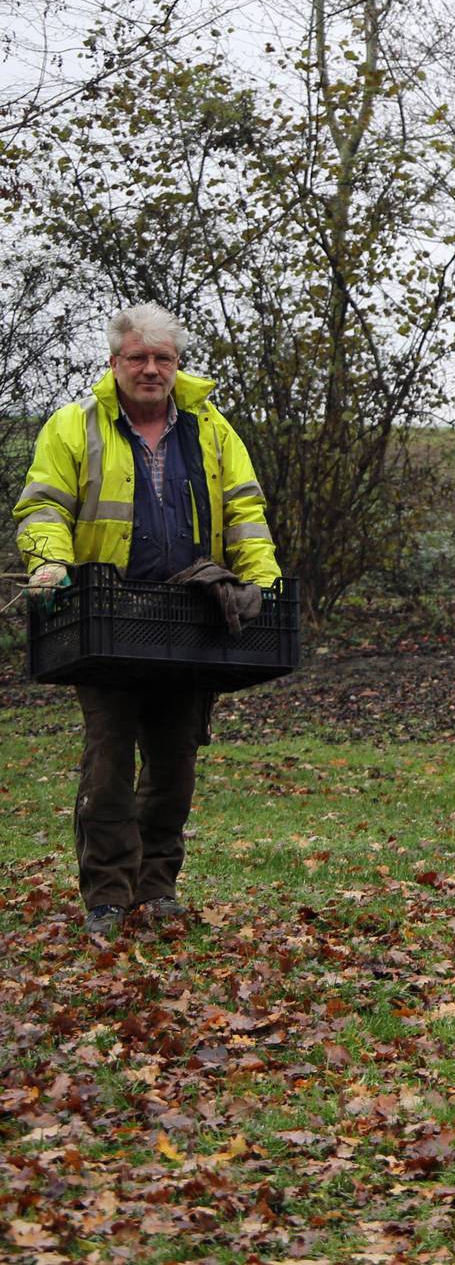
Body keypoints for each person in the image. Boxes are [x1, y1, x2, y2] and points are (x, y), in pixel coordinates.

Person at [14, 303, 280, 938]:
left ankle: (157, 887)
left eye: (163, 358)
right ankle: (106, 895)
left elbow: (245, 509)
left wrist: (262, 581)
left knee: (174, 760)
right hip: (106, 615)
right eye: (138, 358)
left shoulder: (212, 431)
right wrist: (50, 563)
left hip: (190, 614)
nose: (151, 369)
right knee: (108, 759)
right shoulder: (74, 426)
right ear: (115, 364)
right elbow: (43, 506)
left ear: (177, 365)